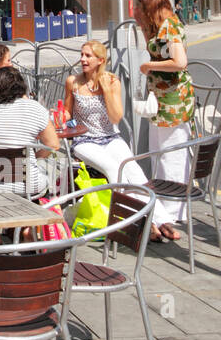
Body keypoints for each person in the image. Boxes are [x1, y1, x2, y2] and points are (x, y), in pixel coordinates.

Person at [64, 39, 179, 238]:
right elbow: (66, 113)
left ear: (100, 60)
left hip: (110, 137)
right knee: (113, 169)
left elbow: (116, 117)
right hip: (84, 140)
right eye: (82, 55)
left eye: (88, 55)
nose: (82, 59)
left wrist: (106, 90)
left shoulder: (111, 80)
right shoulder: (73, 82)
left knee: (133, 170)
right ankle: (140, 222)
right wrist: (58, 116)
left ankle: (161, 219)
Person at [137, 0, 196, 240]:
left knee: (171, 153)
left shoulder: (170, 27)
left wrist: (149, 65)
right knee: (161, 152)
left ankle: (172, 208)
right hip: (163, 100)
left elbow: (180, 62)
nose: (139, 9)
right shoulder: (161, 27)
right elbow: (154, 47)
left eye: (142, 5)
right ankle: (164, 206)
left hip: (172, 101)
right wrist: (143, 25)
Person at [0, 66, 59, 198]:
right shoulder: (34, 108)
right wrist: (32, 159)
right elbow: (53, 145)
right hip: (28, 186)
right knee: (50, 169)